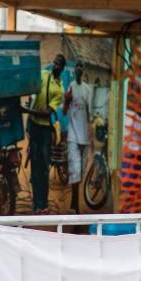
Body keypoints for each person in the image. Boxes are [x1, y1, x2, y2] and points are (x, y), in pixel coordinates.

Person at [22, 53, 65, 213]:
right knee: (35, 167)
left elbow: (48, 112)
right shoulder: (43, 75)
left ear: (62, 68)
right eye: (55, 62)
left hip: (45, 130)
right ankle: (36, 205)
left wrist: (28, 110)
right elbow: (32, 85)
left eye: (59, 64)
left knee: (44, 168)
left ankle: (43, 205)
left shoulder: (59, 90)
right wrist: (30, 98)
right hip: (34, 126)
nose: (56, 66)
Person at [63, 60, 93, 212]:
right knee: (75, 171)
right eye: (77, 66)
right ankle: (75, 208)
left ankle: (73, 204)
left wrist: (91, 135)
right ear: (75, 70)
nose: (79, 69)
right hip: (73, 136)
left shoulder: (88, 89)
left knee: (80, 173)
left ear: (84, 70)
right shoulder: (71, 87)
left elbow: (90, 113)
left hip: (85, 138)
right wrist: (67, 101)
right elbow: (64, 111)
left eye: (82, 66)